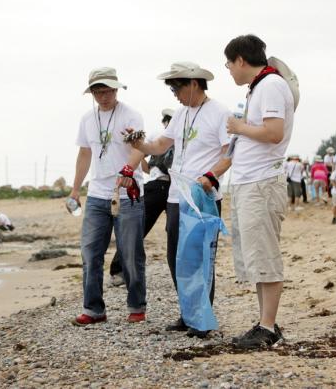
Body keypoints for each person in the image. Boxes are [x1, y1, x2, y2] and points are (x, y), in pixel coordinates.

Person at [127, 62, 231, 337]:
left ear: (194, 83)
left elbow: (229, 152)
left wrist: (210, 176)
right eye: (171, 87)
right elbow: (161, 145)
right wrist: (139, 145)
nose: (174, 93)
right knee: (176, 258)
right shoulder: (181, 114)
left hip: (202, 195)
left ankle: (202, 319)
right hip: (176, 194)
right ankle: (188, 313)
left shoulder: (219, 112)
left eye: (177, 86)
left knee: (200, 258)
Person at [224, 34, 295, 348]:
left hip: (262, 182)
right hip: (250, 181)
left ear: (241, 59)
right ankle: (265, 323)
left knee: (265, 254)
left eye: (229, 63)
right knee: (256, 257)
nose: (228, 69)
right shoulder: (260, 87)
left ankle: (268, 327)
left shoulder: (270, 85)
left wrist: (240, 127)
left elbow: (274, 132)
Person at [70, 67, 147, 325]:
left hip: (127, 194)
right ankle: (93, 309)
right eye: (99, 91)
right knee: (90, 253)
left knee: (130, 254)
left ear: (116, 89)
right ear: (92, 92)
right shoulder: (87, 119)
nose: (104, 96)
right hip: (96, 195)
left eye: (109, 91)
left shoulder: (131, 115)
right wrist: (75, 189)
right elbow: (84, 154)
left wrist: (128, 170)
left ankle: (136, 305)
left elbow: (140, 149)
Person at [108, 108, 175, 287]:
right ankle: (179, 271)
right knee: (173, 230)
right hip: (171, 186)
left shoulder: (157, 133)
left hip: (156, 184)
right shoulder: (172, 134)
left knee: (138, 229)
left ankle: (118, 270)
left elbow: (140, 156)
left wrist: (151, 170)